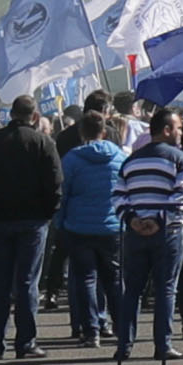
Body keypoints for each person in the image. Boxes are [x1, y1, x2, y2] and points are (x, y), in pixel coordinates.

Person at [0, 94, 63, 360]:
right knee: (26, 283)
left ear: (11, 114)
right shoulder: (42, 142)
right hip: (33, 220)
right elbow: (55, 183)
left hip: (0, 218)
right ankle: (25, 342)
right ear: (34, 116)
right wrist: (48, 212)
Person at [114, 108, 183, 360]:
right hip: (168, 232)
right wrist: (158, 221)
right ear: (167, 130)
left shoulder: (131, 161)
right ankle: (163, 344)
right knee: (166, 288)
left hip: (135, 233)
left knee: (132, 290)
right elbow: (180, 195)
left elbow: (118, 195)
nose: (181, 132)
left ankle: (124, 345)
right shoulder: (180, 159)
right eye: (178, 128)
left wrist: (133, 220)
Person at [55, 104, 128, 352]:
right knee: (115, 280)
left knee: (85, 279)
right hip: (112, 225)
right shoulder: (119, 157)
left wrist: (60, 222)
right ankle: (122, 327)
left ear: (82, 133)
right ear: (104, 132)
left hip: (79, 226)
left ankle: (91, 330)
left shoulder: (72, 159)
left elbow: (63, 194)